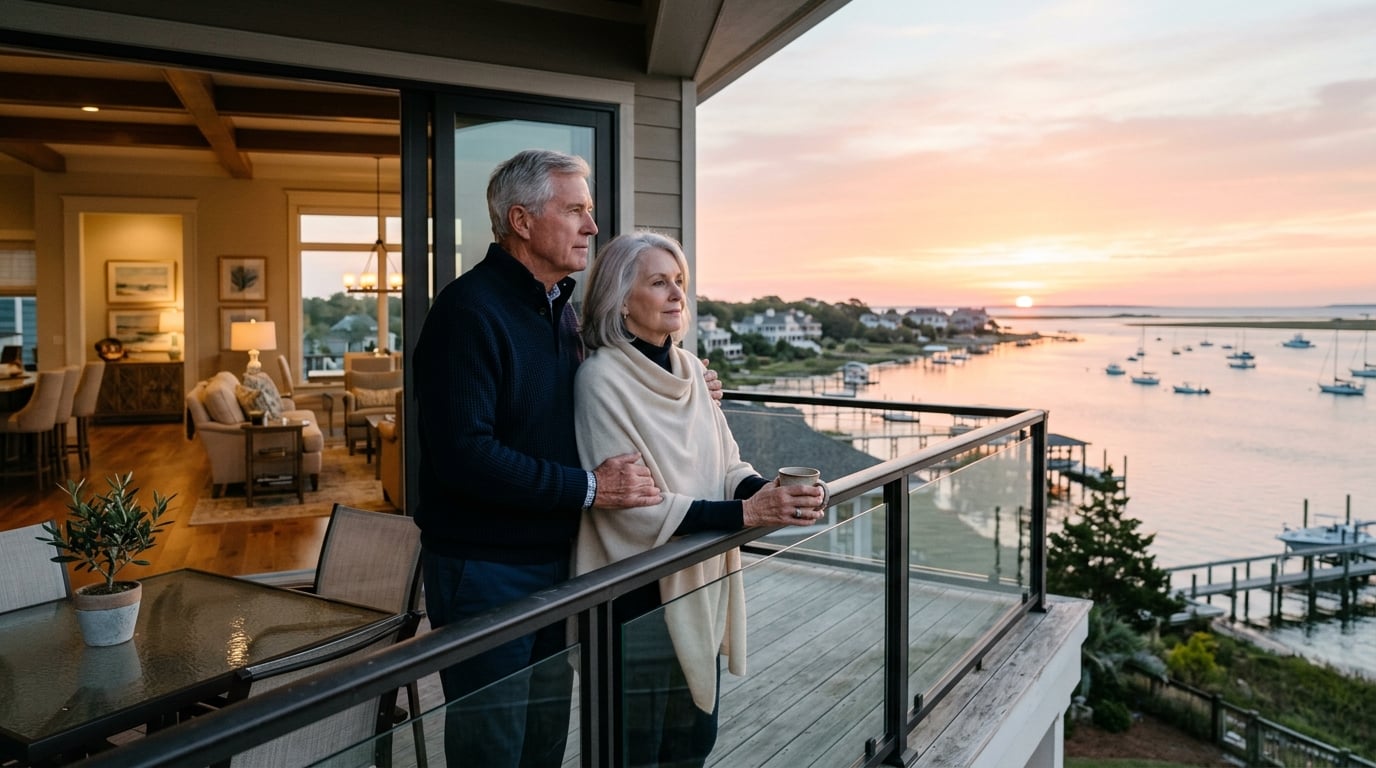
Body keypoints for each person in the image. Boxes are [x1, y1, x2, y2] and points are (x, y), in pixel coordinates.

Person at [413, 150, 673, 768]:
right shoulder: (468, 311)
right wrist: (590, 488)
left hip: (558, 564)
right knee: (493, 751)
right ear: (522, 221)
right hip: (487, 570)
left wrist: (687, 381)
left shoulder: (559, 309)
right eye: (576, 210)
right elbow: (464, 455)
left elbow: (607, 383)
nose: (592, 226)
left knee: (545, 742)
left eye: (591, 211)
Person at [572, 231, 827, 767]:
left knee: (693, 745)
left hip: (701, 584)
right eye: (658, 282)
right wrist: (748, 513)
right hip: (637, 600)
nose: (676, 294)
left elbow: (728, 467)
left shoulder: (691, 370)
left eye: (680, 281)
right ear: (621, 300)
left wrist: (772, 492)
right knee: (635, 752)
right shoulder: (600, 381)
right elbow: (635, 507)